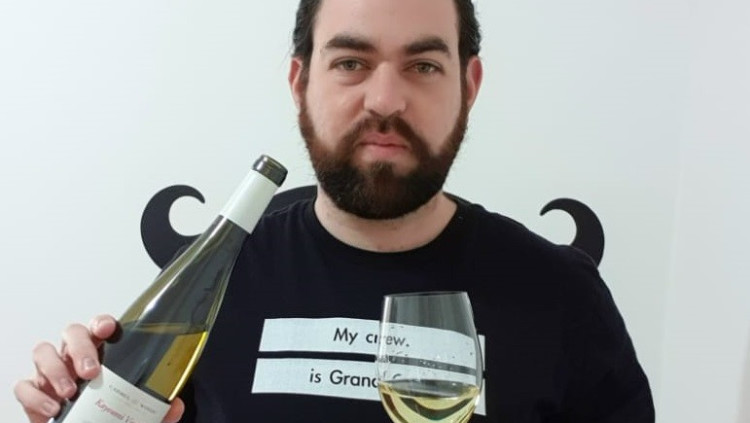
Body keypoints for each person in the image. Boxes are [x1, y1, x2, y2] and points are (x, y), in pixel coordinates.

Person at [14, 0, 655, 421]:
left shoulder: (561, 295)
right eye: (351, 62)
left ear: (469, 85)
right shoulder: (215, 279)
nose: (385, 99)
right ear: (300, 83)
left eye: (423, 65)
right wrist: (74, 398)